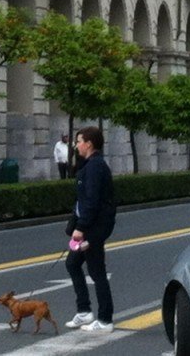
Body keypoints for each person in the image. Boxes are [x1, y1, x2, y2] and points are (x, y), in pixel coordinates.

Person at [65, 126, 117, 333]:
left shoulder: (95, 167)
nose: (76, 145)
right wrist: (74, 223)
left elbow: (92, 201)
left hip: (94, 228)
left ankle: (105, 319)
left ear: (89, 144)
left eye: (79, 141)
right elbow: (83, 200)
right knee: (72, 263)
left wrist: (81, 227)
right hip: (90, 225)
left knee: (97, 272)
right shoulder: (90, 165)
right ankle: (84, 311)